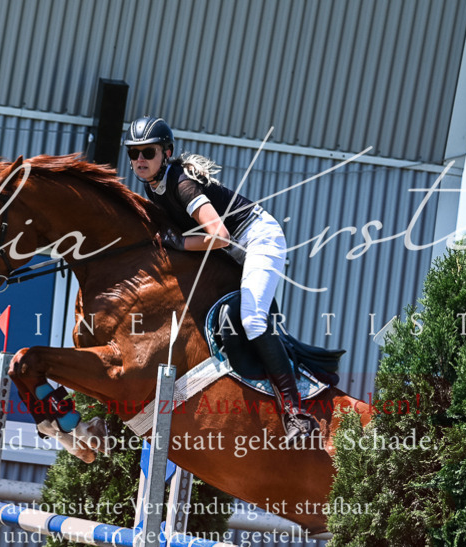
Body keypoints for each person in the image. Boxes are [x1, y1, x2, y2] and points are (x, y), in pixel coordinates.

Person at [123, 115, 319, 446]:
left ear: (166, 153)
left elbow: (221, 236)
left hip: (257, 239)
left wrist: (180, 243)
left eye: (148, 152)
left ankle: (296, 413)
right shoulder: (152, 186)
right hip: (229, 250)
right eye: (134, 153)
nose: (140, 160)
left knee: (253, 320)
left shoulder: (181, 184)